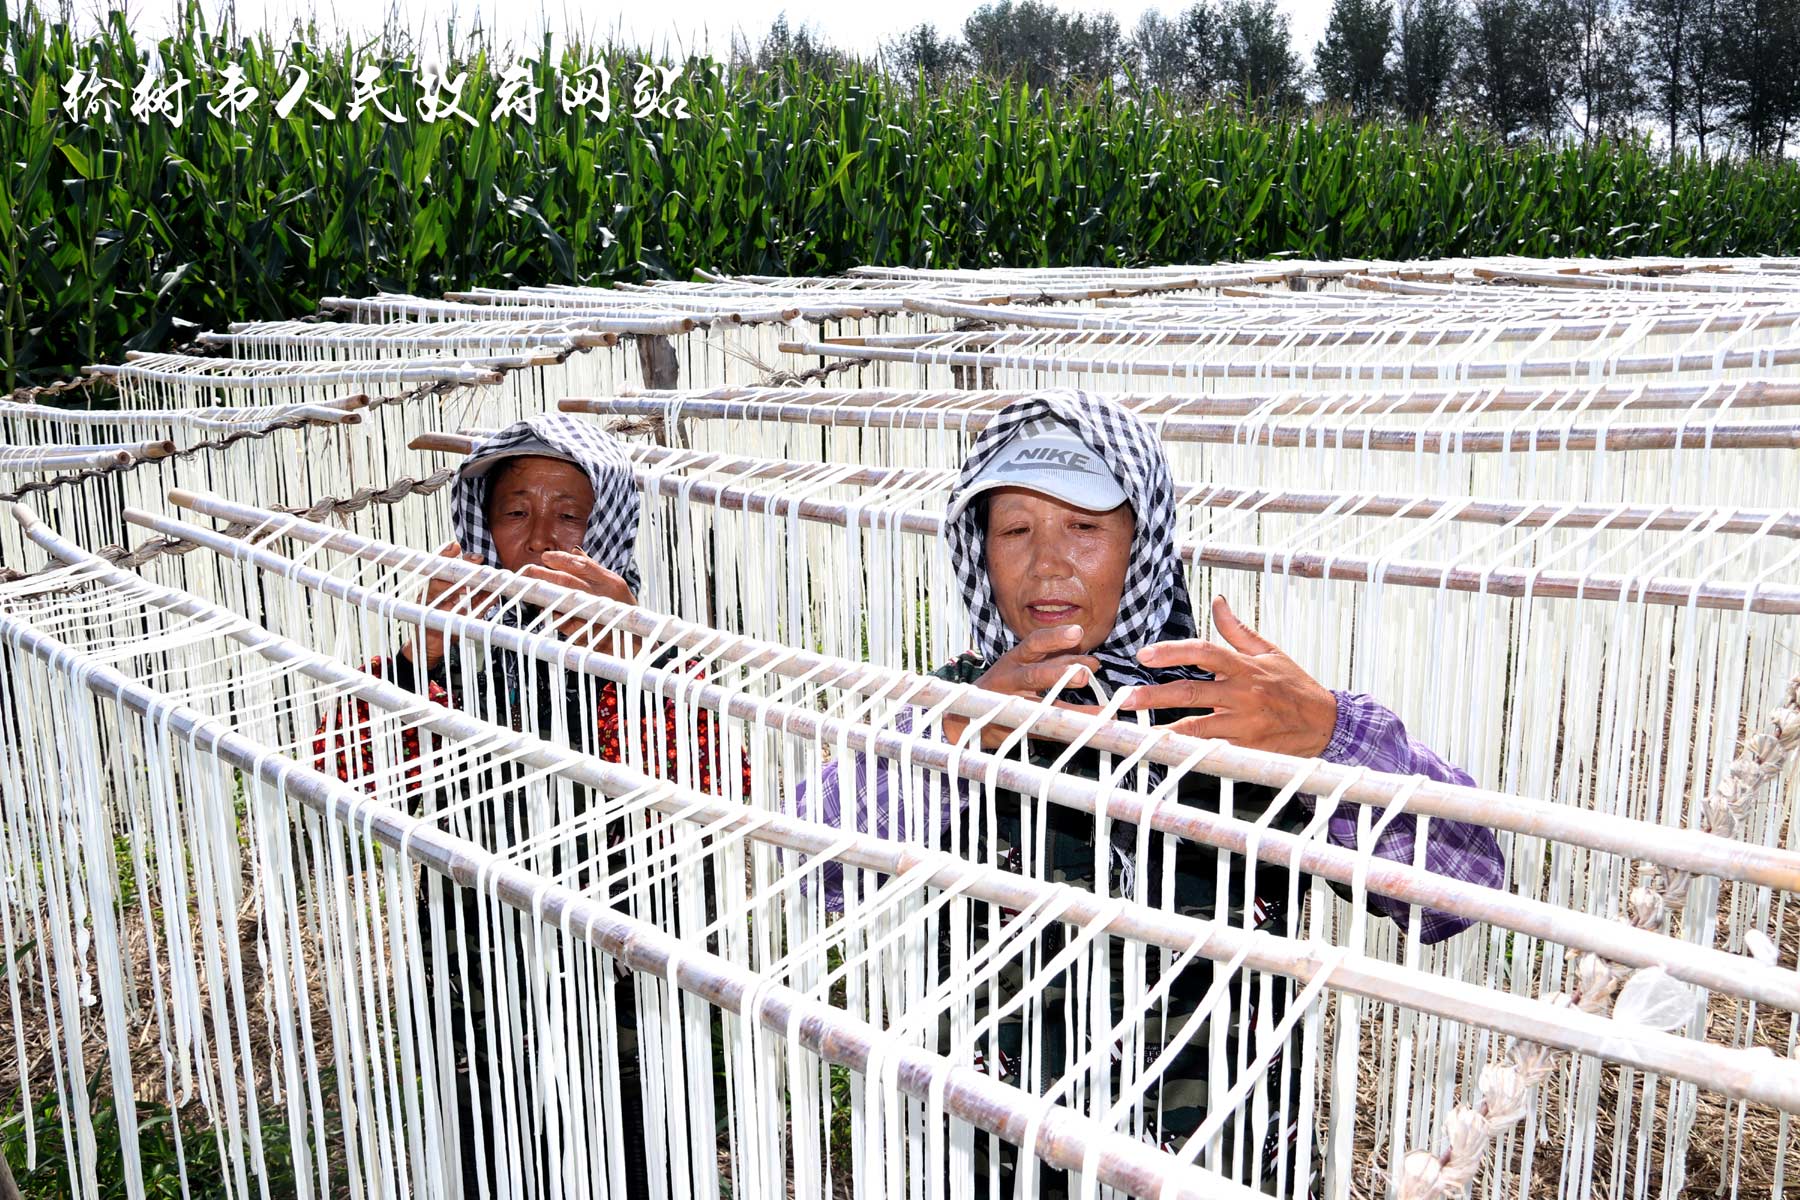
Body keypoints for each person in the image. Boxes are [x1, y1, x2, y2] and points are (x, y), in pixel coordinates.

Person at [797, 390, 1504, 1196]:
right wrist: (960, 739)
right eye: (1016, 531)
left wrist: (1332, 736)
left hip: (1222, 1165)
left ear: (1146, 540)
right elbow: (814, 865)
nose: (1047, 565)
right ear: (977, 549)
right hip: (1002, 1160)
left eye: (1086, 528)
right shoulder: (960, 707)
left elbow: (1465, 893)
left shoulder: (1245, 712)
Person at [314, 414, 744, 1199]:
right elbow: (340, 773)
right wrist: (422, 651)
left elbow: (718, 795)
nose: (541, 537)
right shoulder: (451, 650)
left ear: (606, 527)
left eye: (568, 515)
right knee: (491, 1156)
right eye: (515, 512)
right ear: (481, 526)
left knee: (636, 1161)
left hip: (631, 992)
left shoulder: (662, 653)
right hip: (477, 983)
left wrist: (628, 661)